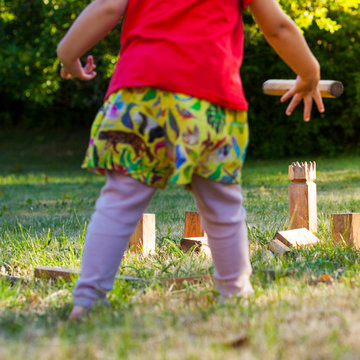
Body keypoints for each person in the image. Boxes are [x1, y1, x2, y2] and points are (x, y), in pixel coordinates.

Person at [57, 0, 324, 320]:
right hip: (209, 100)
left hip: (141, 94)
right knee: (221, 205)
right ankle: (235, 295)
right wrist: (309, 72)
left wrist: (67, 53)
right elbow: (277, 26)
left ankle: (87, 300)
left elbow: (106, 8)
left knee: (119, 200)